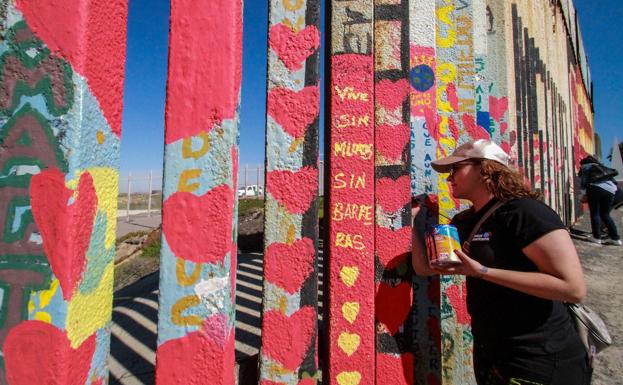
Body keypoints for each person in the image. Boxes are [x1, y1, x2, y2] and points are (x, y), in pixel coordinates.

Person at [412, 139, 591, 385]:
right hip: (491, 356)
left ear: (486, 168)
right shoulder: (465, 222)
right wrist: (414, 222)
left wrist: (482, 271)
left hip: (539, 358)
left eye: (456, 168)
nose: (449, 177)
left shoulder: (525, 212)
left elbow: (572, 288)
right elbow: (424, 268)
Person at [578, 155, 621, 245]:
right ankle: (616, 239)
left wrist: (583, 194)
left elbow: (584, 180)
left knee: (595, 213)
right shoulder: (602, 167)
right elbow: (614, 182)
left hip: (595, 188)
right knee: (605, 215)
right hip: (610, 190)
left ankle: (597, 237)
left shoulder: (586, 166)